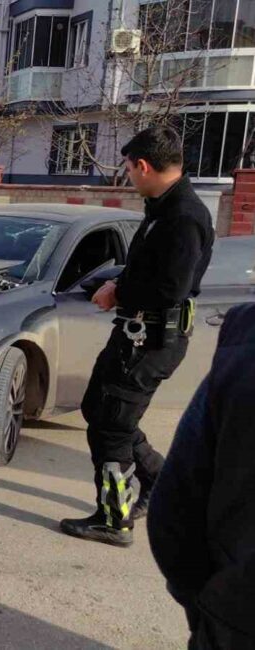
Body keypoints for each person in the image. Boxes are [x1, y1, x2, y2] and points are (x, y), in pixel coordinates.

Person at [59, 125, 214, 546]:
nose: (128, 176)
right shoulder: (163, 208)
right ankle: (165, 486)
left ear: (143, 166)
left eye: (129, 168)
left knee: (111, 427)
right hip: (137, 336)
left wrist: (118, 292)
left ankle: (114, 519)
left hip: (150, 341)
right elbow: (151, 269)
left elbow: (170, 288)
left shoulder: (183, 217)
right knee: (101, 410)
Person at [148, 304, 255, 648]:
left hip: (237, 613)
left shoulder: (244, 347)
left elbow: (175, 511)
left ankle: (114, 514)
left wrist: (210, 606)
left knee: (113, 427)